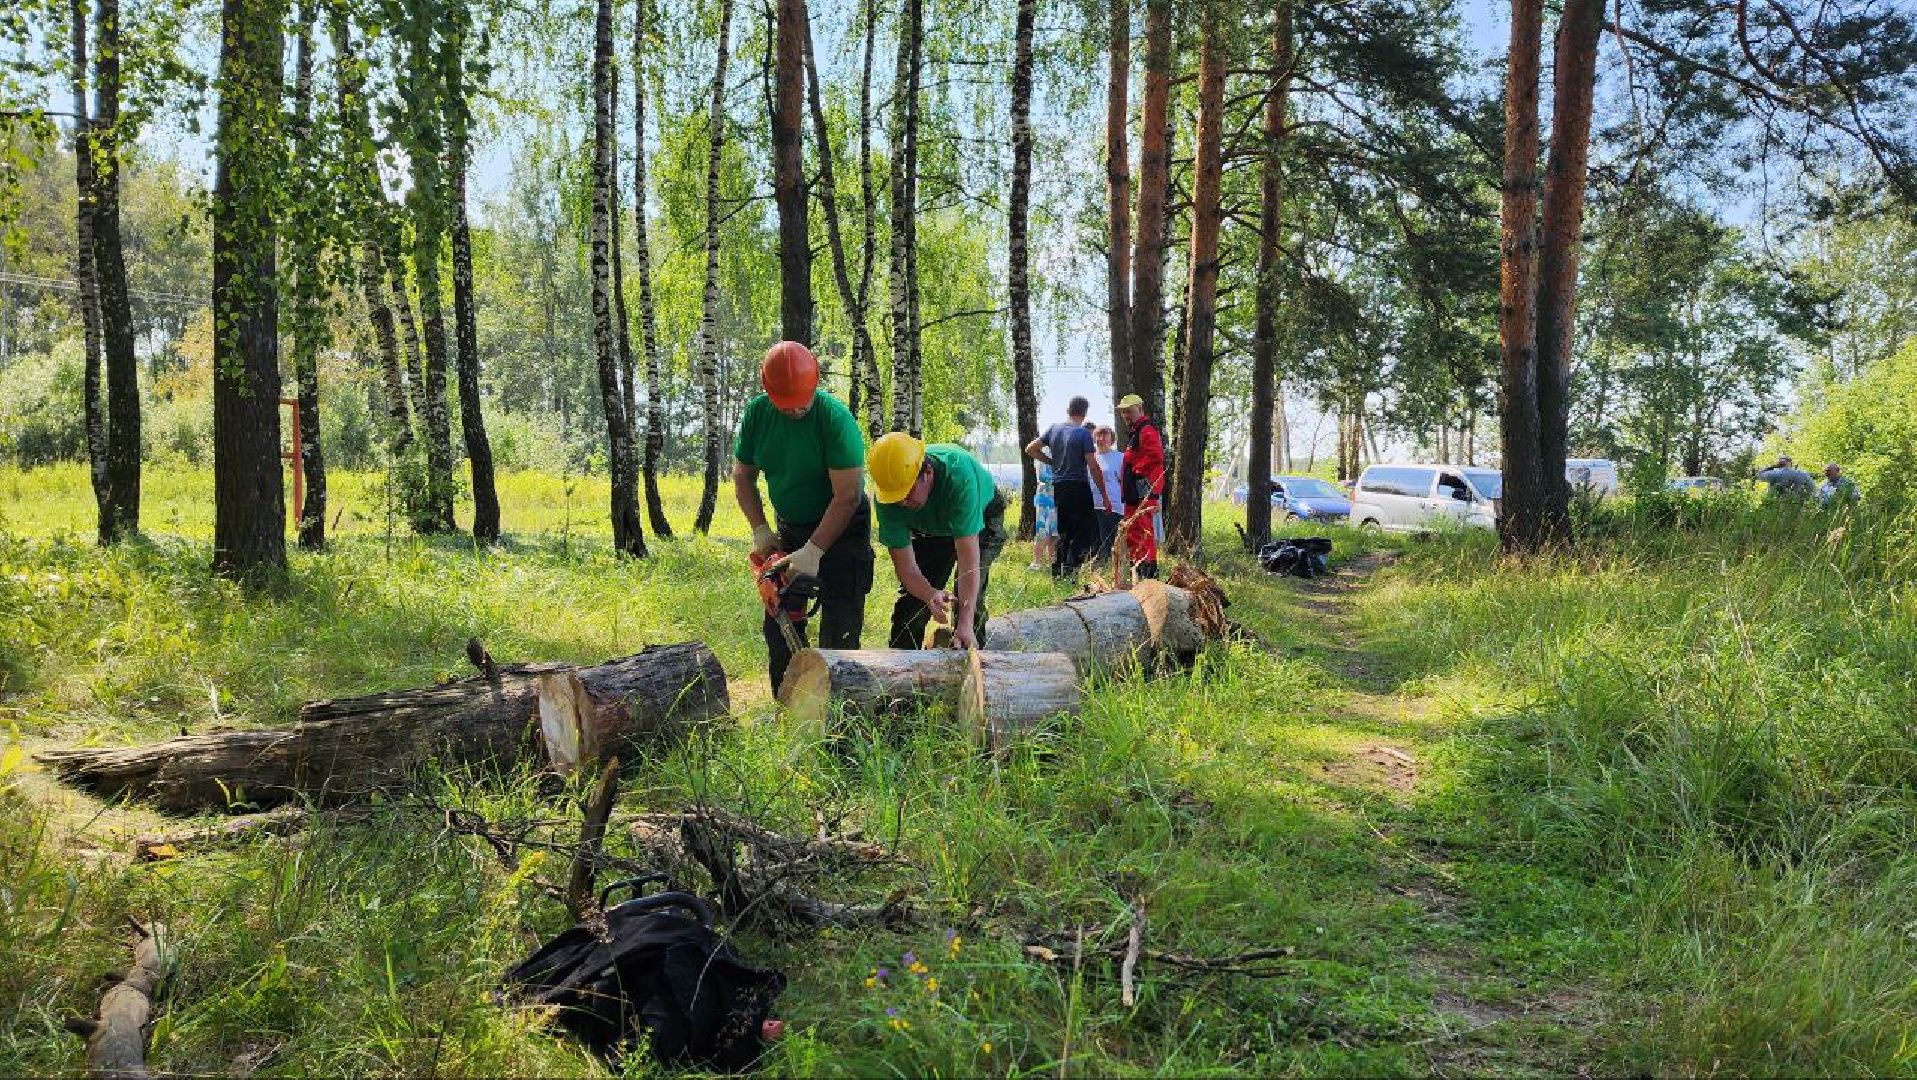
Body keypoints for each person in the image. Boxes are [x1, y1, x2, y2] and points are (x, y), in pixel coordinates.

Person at [733, 341, 873, 693]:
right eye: (786, 405)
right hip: (790, 526)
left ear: (816, 383)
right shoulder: (757, 415)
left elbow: (847, 496)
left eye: (801, 403)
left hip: (843, 527)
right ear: (768, 390)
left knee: (839, 626)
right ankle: (787, 707)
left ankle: (840, 715)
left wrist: (813, 552)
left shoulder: (835, 420)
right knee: (780, 618)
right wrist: (761, 530)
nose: (795, 411)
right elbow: (742, 475)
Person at [868, 432, 1007, 650]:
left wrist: (964, 624)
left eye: (908, 492)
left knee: (970, 602)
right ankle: (898, 673)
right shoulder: (888, 498)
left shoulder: (958, 477)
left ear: (928, 472)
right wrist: (930, 594)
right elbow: (907, 569)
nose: (902, 502)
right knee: (912, 604)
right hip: (932, 527)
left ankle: (972, 662)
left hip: (984, 514)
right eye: (896, 497)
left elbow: (968, 564)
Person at [1023, 397, 1107, 579]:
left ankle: (1058, 572)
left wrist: (1051, 462)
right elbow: (1093, 466)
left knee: (1064, 530)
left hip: (1059, 487)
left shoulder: (1054, 429)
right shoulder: (1083, 433)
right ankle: (1071, 568)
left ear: (1068, 410)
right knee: (1086, 529)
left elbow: (1030, 449)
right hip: (1078, 485)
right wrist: (1104, 495)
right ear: (1084, 413)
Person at [1117, 394, 1166, 580]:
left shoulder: (1146, 430)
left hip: (1143, 488)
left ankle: (1148, 571)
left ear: (1140, 408)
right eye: (1123, 413)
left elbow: (1156, 456)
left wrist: (1137, 470)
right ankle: (1137, 568)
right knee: (1132, 529)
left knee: (1143, 529)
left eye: (1129, 411)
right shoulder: (1136, 432)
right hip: (1133, 490)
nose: (1126, 415)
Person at [1092, 425, 1125, 561]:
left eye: (1105, 435)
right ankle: (1096, 565)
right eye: (1098, 435)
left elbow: (1124, 482)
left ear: (1112, 440)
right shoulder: (1090, 457)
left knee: (1110, 540)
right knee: (1095, 539)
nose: (1101, 439)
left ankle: (1110, 567)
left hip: (1113, 505)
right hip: (1092, 504)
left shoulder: (1119, 457)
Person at [1029, 465, 1058, 572]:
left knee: (1055, 532)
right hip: (1046, 495)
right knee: (1042, 531)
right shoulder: (1044, 450)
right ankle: (1037, 562)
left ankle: (1053, 562)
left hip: (1057, 494)